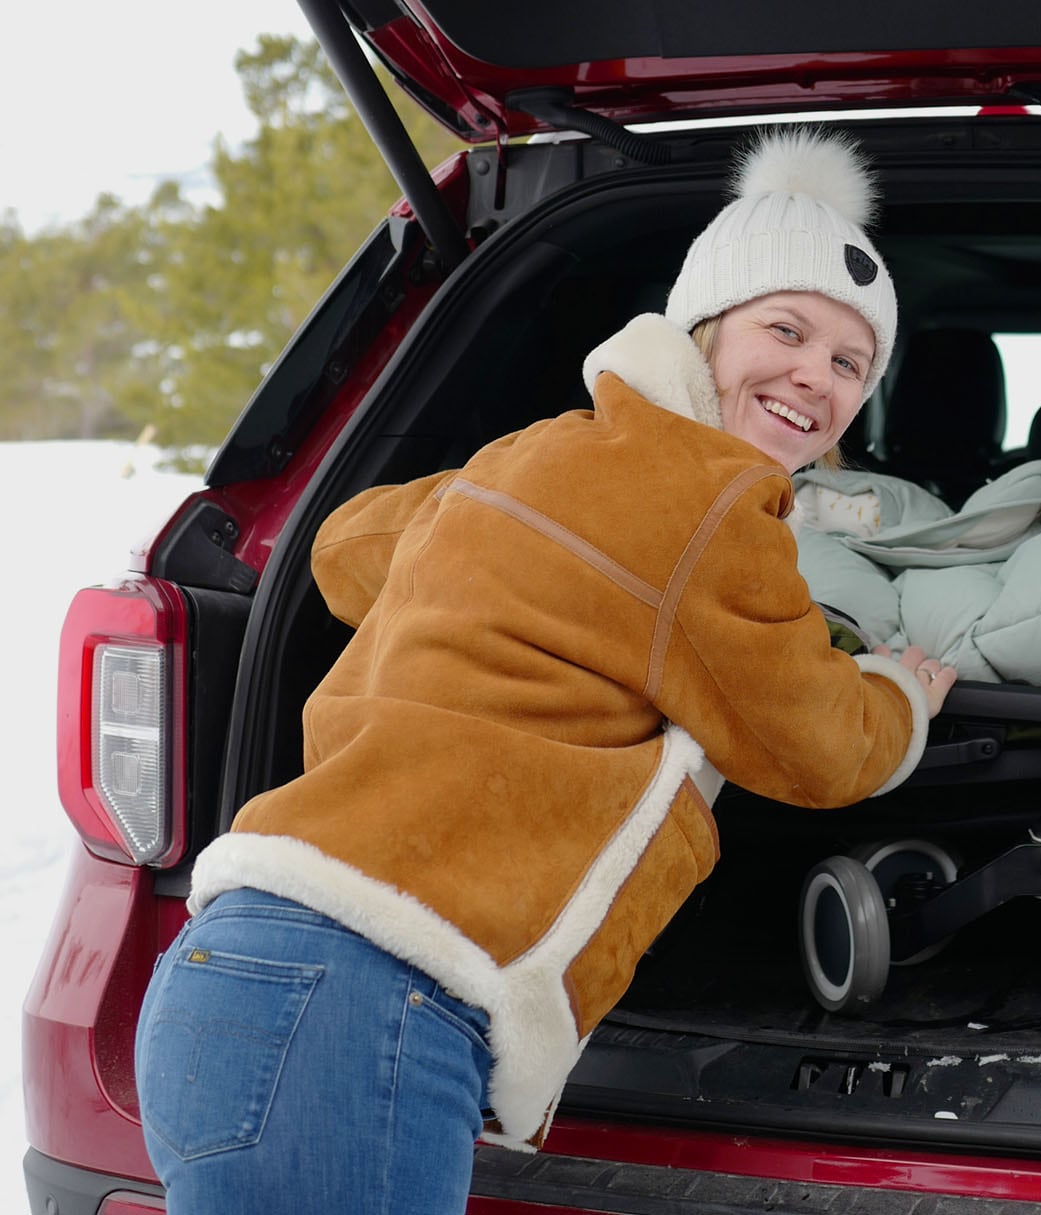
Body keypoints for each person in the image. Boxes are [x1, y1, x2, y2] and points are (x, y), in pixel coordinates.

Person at [133, 127, 956, 1214]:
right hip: (366, 1009)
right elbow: (817, 742)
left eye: (850, 363)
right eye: (786, 328)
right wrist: (901, 692)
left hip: (227, 975)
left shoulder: (536, 457)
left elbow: (338, 550)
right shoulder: (710, 501)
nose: (816, 373)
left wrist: (488, 572)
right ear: (703, 328)